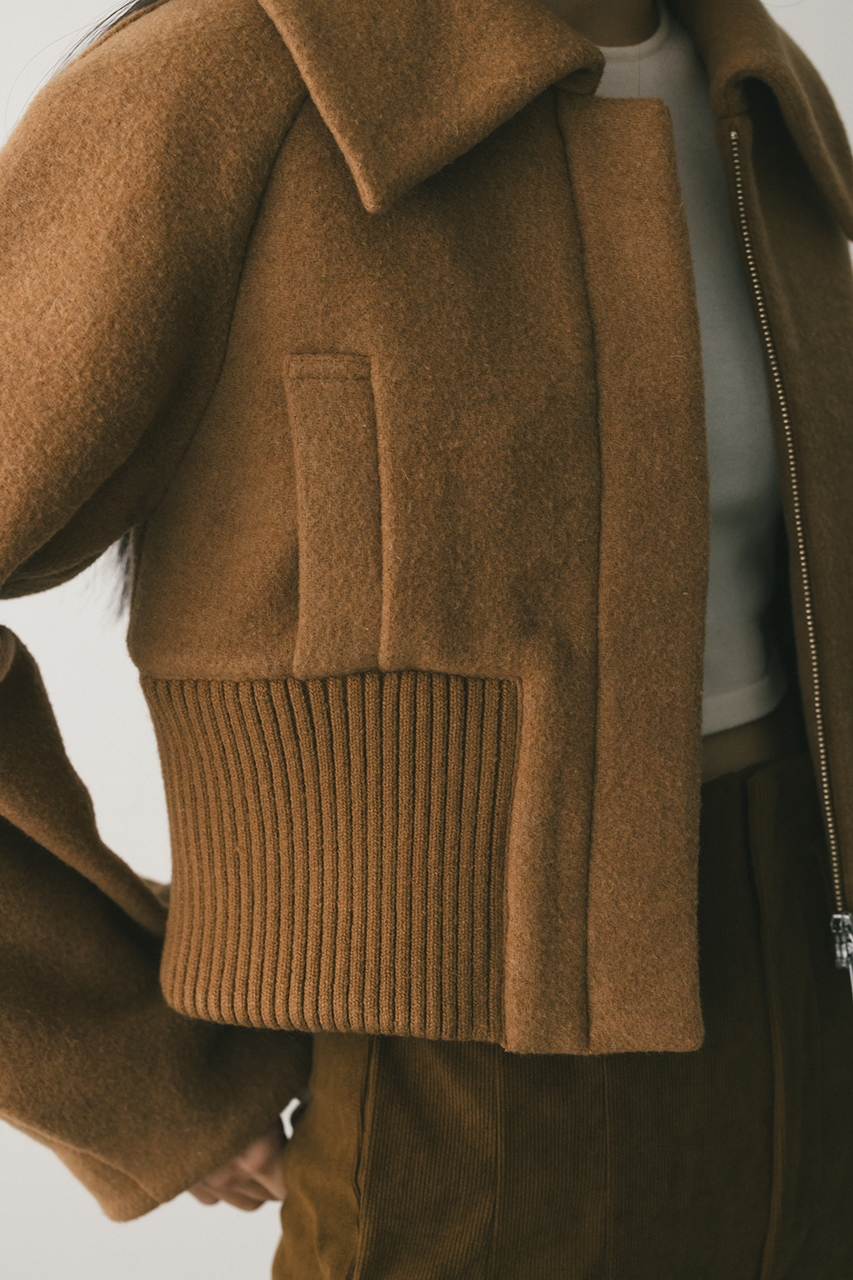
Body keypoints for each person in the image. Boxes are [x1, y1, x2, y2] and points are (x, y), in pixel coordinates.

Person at [1, 0, 852, 1273]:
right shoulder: (228, 82)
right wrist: (136, 1072)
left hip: (811, 1020)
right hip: (454, 1097)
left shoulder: (762, 84)